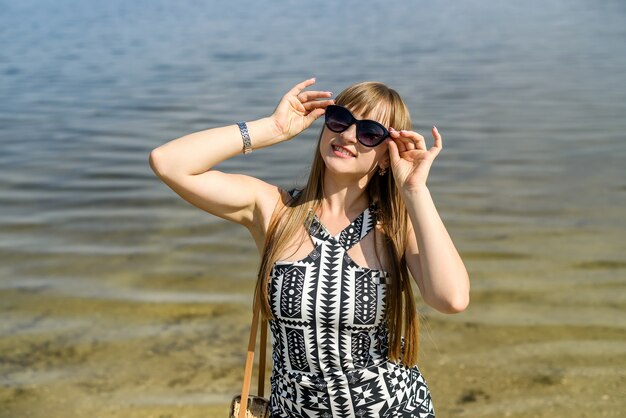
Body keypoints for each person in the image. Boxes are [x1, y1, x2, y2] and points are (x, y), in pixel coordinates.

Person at [149, 77, 470, 417]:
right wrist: (271, 128)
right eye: (339, 119)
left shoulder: (394, 225)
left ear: (387, 155)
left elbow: (451, 299)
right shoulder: (275, 210)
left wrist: (415, 191)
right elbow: (168, 162)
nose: (347, 136)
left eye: (370, 132)